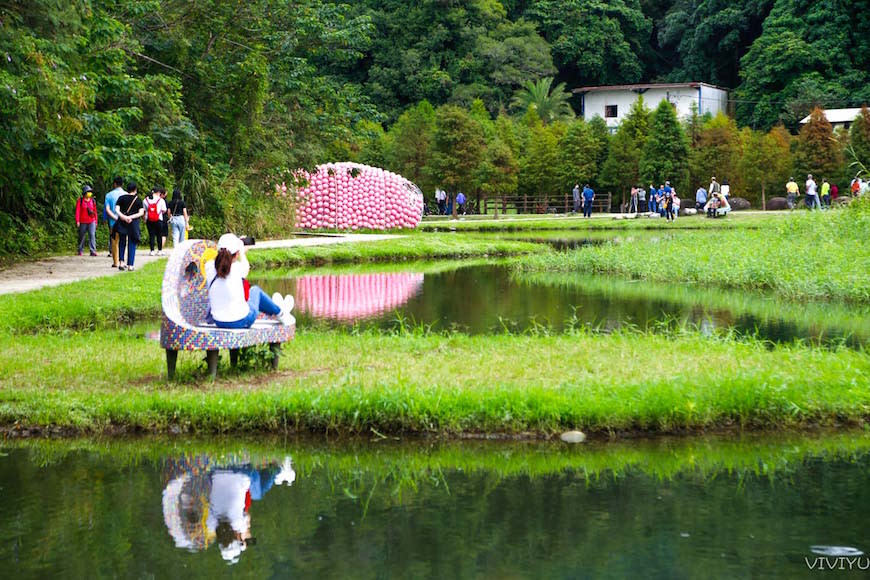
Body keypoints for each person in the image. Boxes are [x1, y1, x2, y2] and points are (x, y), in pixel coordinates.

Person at [206, 233, 294, 328]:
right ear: (237, 254)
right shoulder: (237, 268)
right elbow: (245, 267)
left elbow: (221, 263)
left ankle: (279, 311)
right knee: (255, 291)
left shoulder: (209, 267)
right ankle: (281, 313)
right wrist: (243, 253)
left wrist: (236, 246)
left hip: (219, 322)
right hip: (242, 321)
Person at [115, 182, 144, 271]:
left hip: (122, 222)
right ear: (135, 189)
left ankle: (121, 262)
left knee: (122, 242)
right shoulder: (138, 200)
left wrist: (124, 217)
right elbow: (141, 213)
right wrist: (131, 217)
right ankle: (130, 265)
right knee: (132, 242)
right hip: (133, 223)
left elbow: (116, 210)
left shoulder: (121, 198)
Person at [104, 176, 125, 268]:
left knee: (114, 241)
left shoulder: (109, 195)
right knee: (123, 241)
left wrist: (114, 218)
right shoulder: (126, 194)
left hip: (113, 222)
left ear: (114, 184)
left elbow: (107, 209)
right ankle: (122, 260)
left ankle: (115, 262)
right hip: (124, 221)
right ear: (122, 184)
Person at [75, 184, 99, 256]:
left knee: (92, 235)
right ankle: (80, 250)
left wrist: (96, 221)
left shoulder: (93, 201)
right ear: (84, 193)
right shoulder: (80, 201)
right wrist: (77, 221)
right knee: (82, 236)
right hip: (83, 221)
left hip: (92, 221)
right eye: (88, 191)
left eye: (90, 191)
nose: (89, 193)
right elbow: (78, 211)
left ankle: (92, 251)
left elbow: (95, 211)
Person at [144, 187, 167, 256]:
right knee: (159, 235)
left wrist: (145, 218)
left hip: (149, 219)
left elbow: (144, 210)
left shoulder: (145, 200)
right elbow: (164, 210)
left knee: (151, 235)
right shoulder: (161, 200)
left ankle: (152, 250)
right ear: (158, 193)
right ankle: (159, 250)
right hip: (158, 219)